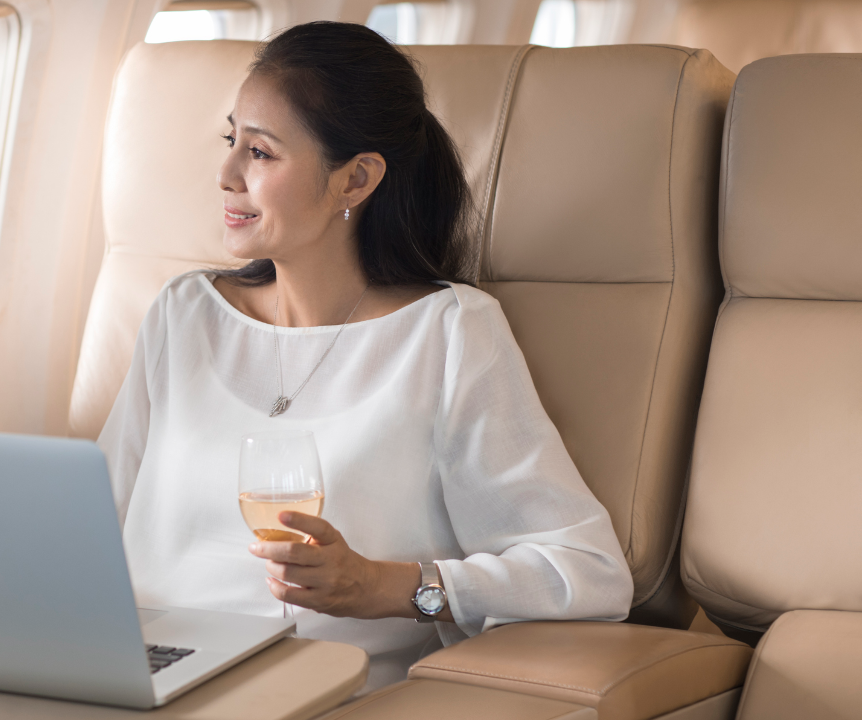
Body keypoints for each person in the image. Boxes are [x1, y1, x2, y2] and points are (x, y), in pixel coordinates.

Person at [98, 21, 633, 691]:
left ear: (355, 179)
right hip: (143, 675)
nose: (227, 174)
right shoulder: (183, 315)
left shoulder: (448, 335)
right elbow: (93, 525)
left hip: (316, 690)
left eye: (261, 153)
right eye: (231, 141)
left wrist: (391, 587)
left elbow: (588, 572)